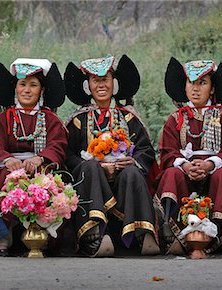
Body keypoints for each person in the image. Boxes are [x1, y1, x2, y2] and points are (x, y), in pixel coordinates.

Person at [155, 57, 222, 256]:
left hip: (215, 171)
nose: (196, 89)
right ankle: (179, 235)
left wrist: (209, 164)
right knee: (171, 174)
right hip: (186, 174)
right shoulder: (176, 118)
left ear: (213, 88)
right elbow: (167, 152)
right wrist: (185, 165)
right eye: (191, 82)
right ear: (184, 86)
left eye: (202, 83)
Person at [64, 54, 159, 257]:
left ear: (114, 83)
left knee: (133, 172)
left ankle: (142, 232)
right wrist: (95, 164)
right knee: (89, 168)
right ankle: (94, 233)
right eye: (95, 80)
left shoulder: (128, 117)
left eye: (105, 80)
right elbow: (68, 155)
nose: (101, 85)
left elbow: (146, 150)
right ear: (87, 85)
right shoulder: (79, 120)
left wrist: (132, 160)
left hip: (122, 177)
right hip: (92, 179)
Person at [0, 58, 68, 256]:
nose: (27, 90)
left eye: (33, 85)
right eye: (22, 84)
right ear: (15, 88)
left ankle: (43, 234)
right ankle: (5, 235)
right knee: (6, 175)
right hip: (10, 166)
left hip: (39, 165)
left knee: (45, 178)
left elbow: (58, 145)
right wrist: (7, 159)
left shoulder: (51, 119)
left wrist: (40, 158)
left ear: (42, 90)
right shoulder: (3, 119)